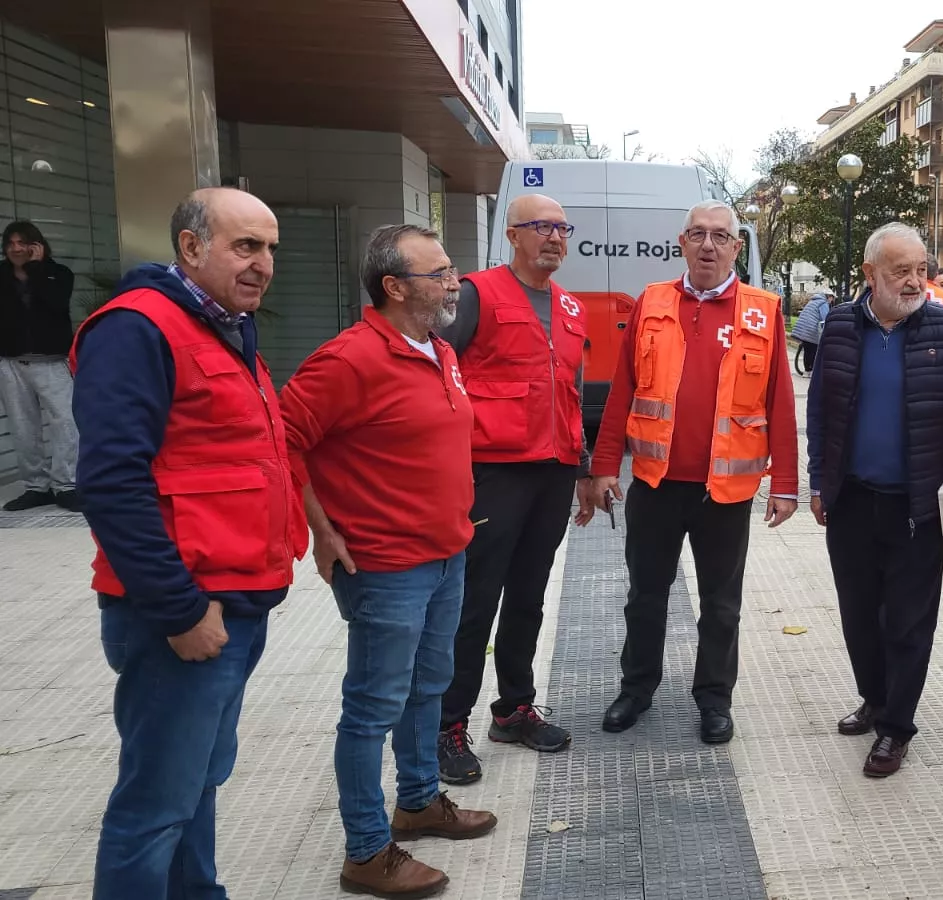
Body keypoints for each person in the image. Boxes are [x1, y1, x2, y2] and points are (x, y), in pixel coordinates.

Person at [72, 188, 308, 898]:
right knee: (155, 807)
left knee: (199, 784)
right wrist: (178, 609)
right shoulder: (137, 329)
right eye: (246, 247)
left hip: (236, 601)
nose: (263, 264)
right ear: (190, 247)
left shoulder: (224, 327)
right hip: (184, 613)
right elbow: (112, 483)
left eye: (270, 249)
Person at [281, 225, 496, 898]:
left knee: (428, 688)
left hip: (445, 553)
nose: (454, 281)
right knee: (372, 707)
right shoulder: (347, 360)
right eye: (438, 273)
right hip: (384, 566)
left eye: (452, 268)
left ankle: (420, 799)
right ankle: (368, 850)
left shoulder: (436, 349)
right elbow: (282, 441)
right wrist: (322, 530)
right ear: (394, 287)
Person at [590, 200, 800, 744]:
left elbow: (780, 404)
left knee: (721, 604)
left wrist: (785, 484)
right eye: (698, 234)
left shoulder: (763, 310)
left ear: (737, 247)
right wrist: (604, 466)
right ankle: (636, 688)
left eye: (721, 236)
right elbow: (623, 391)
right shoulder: (652, 303)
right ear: (681, 243)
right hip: (657, 485)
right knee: (645, 595)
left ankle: (713, 698)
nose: (709, 245)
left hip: (725, 492)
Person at [807, 223, 943, 777]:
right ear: (869, 275)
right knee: (859, 615)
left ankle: (896, 728)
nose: (915, 282)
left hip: (918, 504)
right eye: (900, 272)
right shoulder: (838, 327)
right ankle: (876, 698)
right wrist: (818, 481)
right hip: (852, 499)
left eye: (920, 270)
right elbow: (820, 413)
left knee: (908, 621)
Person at [432, 193, 594, 786]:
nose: (554, 237)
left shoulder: (572, 308)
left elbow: (569, 395)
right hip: (491, 472)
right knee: (474, 602)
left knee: (528, 597)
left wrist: (580, 469)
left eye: (561, 227)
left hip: (550, 472)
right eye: (541, 227)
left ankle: (513, 709)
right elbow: (439, 372)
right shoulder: (475, 295)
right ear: (513, 235)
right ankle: (448, 725)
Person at [0, 220, 80, 511]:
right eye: (11, 243)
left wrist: (35, 269)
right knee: (24, 428)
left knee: (66, 423)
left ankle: (66, 485)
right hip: (11, 363)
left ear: (37, 245)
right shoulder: (1, 275)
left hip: (52, 362)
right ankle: (36, 487)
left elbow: (56, 304)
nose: (16, 248)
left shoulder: (59, 274)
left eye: (23, 242)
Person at [791, 290, 831, 374]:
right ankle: (811, 371)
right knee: (813, 350)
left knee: (808, 350)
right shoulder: (823, 303)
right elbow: (825, 318)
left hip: (803, 329)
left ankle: (807, 371)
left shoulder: (813, 301)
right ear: (829, 296)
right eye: (832, 298)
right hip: (811, 330)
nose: (832, 300)